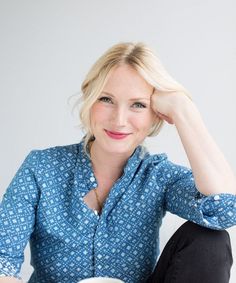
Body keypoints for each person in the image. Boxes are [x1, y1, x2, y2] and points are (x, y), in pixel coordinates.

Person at [0, 42, 236, 283]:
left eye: (138, 104)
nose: (119, 120)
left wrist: (183, 109)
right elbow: (2, 263)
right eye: (106, 99)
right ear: (89, 100)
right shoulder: (41, 168)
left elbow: (225, 210)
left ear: (155, 114)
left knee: (210, 240)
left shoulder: (157, 176)